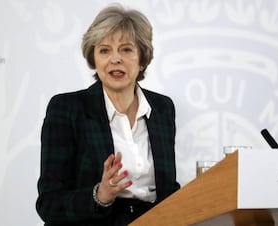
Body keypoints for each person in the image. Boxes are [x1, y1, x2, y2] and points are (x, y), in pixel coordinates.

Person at [35, 3, 180, 226]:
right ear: (94, 59)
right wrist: (99, 196)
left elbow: (168, 191)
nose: (115, 59)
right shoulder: (67, 109)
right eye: (104, 50)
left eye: (126, 49)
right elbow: (49, 203)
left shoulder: (162, 109)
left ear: (142, 58)